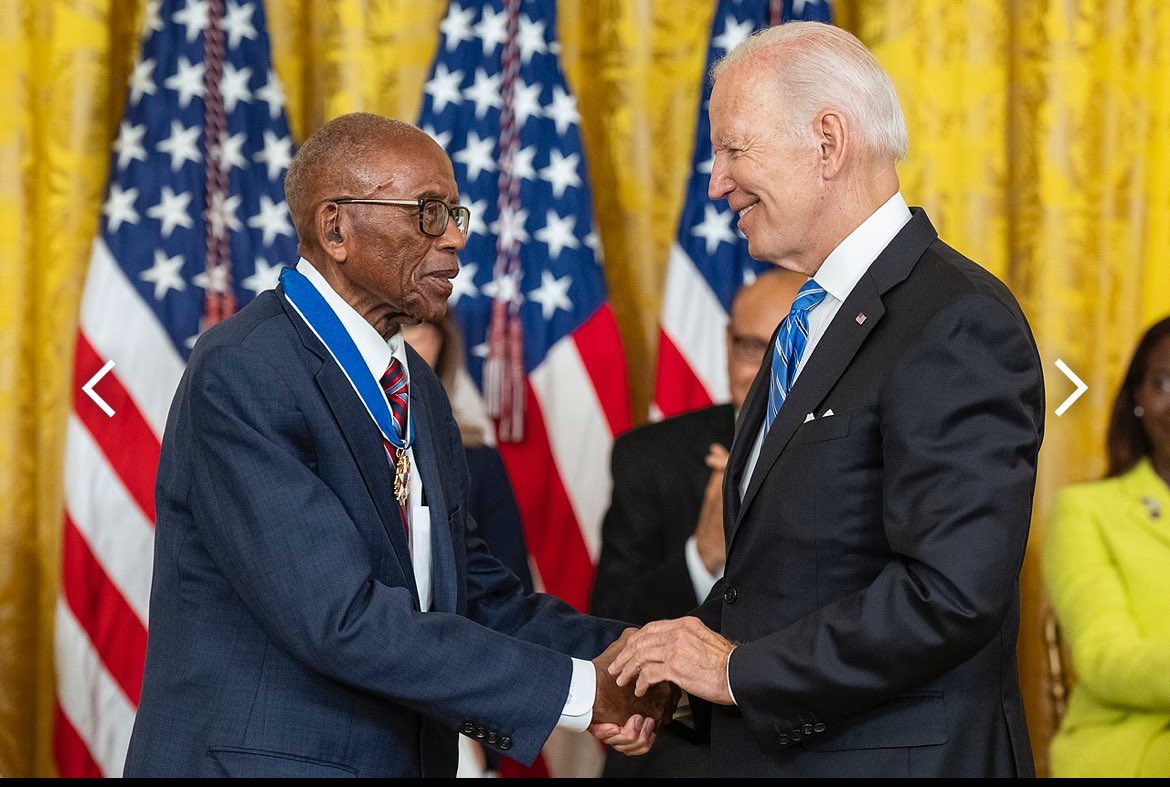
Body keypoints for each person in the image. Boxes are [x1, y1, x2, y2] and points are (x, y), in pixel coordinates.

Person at [123, 112, 674, 778]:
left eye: (456, 213)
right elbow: (339, 617)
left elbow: (471, 597)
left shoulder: (413, 383)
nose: (455, 240)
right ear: (336, 228)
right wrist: (583, 692)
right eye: (428, 213)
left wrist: (642, 657)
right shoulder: (245, 369)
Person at [600, 22, 1046, 778]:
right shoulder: (806, 325)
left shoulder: (956, 318)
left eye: (734, 149)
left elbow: (950, 592)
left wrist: (734, 672)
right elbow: (781, 581)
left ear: (829, 142)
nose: (715, 183)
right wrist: (675, 684)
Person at [590, 270, 802, 779]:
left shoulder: (869, 454)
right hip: (684, 749)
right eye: (752, 349)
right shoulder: (650, 458)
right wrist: (702, 557)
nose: (769, 373)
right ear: (727, 346)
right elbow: (610, 628)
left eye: (791, 350)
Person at [1043, 316, 1170, 778]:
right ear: (1137, 396)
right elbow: (1104, 660)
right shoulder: (1085, 511)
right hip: (1128, 747)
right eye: (1165, 382)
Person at [403, 315, 534, 595]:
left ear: (443, 342)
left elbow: (510, 590)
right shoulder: (336, 449)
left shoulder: (478, 462)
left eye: (411, 328)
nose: (397, 346)